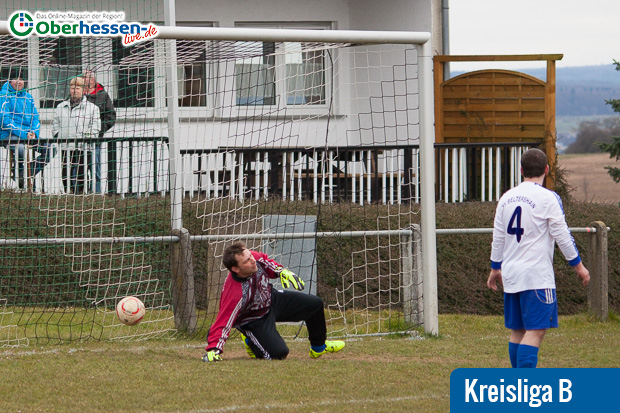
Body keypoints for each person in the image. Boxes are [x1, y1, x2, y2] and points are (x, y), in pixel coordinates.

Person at [487, 148, 590, 369]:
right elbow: (562, 235)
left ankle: (517, 388)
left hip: (512, 274)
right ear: (546, 169)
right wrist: (578, 266)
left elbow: (498, 237)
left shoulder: (506, 198)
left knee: (518, 331)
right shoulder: (549, 198)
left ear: (521, 169)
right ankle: (525, 389)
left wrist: (496, 267)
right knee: (535, 332)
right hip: (536, 276)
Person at [202, 242, 345, 361]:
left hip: (272, 299)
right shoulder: (234, 294)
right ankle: (251, 339)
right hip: (254, 320)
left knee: (315, 304)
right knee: (278, 354)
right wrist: (214, 349)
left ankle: (319, 347)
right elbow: (224, 321)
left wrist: (282, 271)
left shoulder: (255, 259)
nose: (252, 260)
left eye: (250, 255)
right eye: (247, 261)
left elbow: (268, 263)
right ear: (235, 269)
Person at [0, 70, 51, 189]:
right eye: (15, 79)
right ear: (9, 81)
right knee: (21, 149)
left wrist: (34, 133)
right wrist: (24, 134)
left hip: (28, 134)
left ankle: (24, 174)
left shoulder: (28, 97)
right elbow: (5, 121)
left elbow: (35, 118)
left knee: (50, 148)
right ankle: (20, 182)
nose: (19, 82)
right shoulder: (3, 96)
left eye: (21, 79)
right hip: (8, 134)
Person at [52, 77, 101, 194]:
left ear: (83, 90)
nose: (75, 90)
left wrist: (88, 137)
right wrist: (58, 136)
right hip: (66, 145)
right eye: (72, 87)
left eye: (78, 88)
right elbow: (55, 124)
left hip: (82, 146)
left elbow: (95, 127)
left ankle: (79, 194)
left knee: (81, 172)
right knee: (65, 172)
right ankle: (67, 193)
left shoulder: (92, 108)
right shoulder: (61, 107)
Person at [82, 70, 116, 193]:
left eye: (84, 77)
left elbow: (110, 116)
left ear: (92, 80)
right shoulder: (77, 94)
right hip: (77, 139)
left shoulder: (103, 95)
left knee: (94, 166)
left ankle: (95, 194)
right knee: (77, 169)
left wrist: (98, 130)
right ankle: (77, 195)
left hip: (95, 139)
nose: (82, 79)